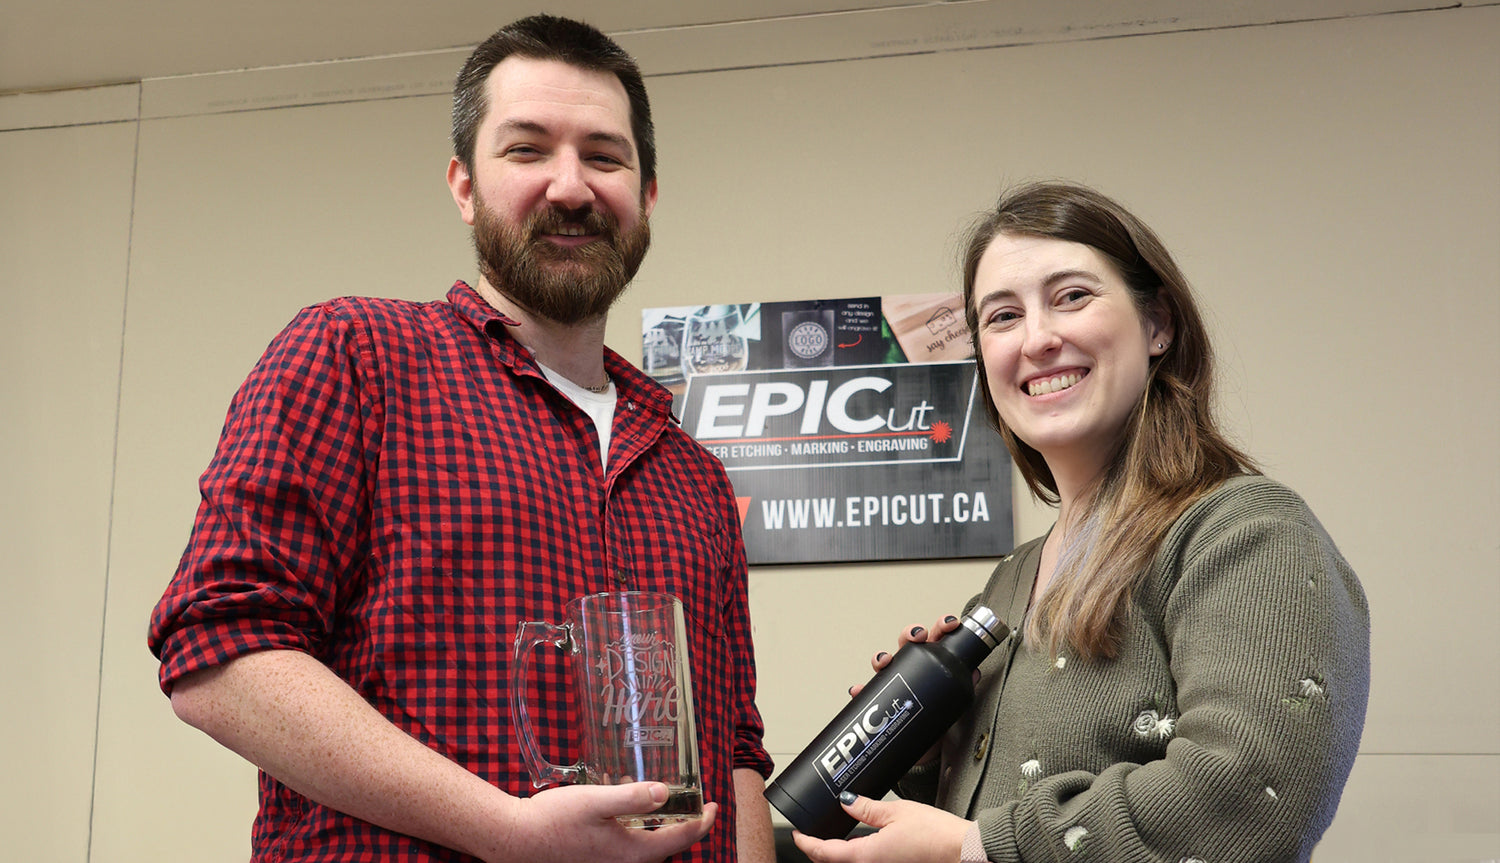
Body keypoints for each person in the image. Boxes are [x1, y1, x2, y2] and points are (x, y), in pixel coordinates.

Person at [148, 15, 775, 863]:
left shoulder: (693, 474)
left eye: (604, 156)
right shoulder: (356, 355)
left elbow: (733, 748)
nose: (570, 187)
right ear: (464, 186)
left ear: (648, 194)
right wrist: (506, 831)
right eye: (527, 150)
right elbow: (220, 654)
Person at [792, 181, 1370, 863]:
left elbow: (1245, 798)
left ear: (1158, 323)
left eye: (1071, 296)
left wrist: (973, 846)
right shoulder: (1012, 578)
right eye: (1003, 316)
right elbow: (991, 801)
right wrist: (929, 756)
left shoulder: (1246, 534)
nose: (1038, 338)